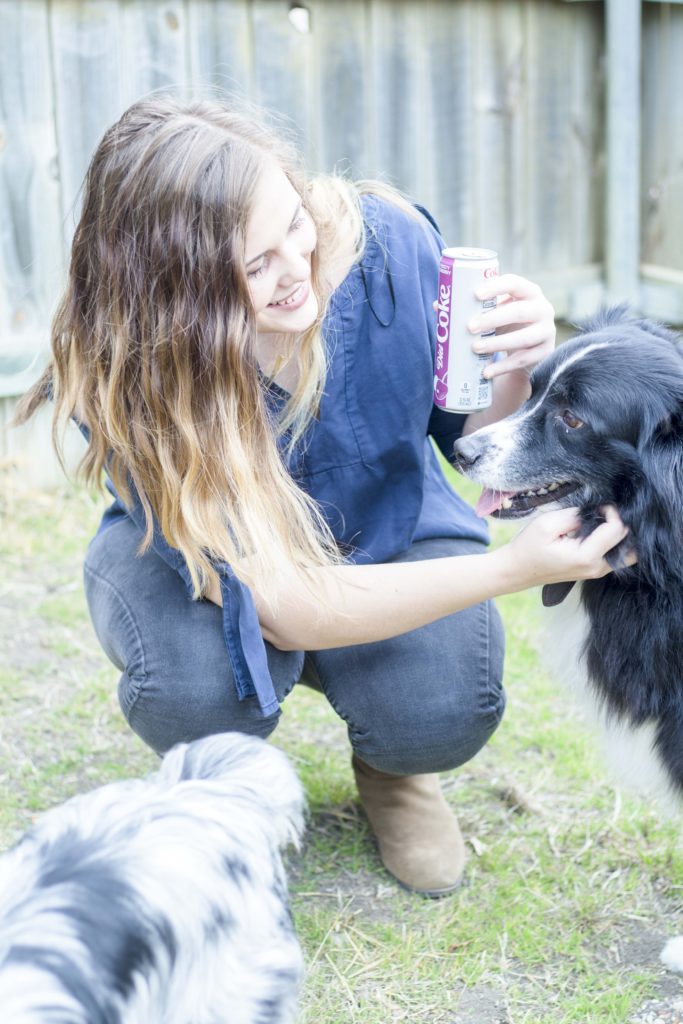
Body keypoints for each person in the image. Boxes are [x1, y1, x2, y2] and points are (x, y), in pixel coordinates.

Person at [16, 96, 629, 898]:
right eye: (253, 265)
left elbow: (474, 434)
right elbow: (286, 602)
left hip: (388, 526)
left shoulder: (388, 244)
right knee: (195, 694)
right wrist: (508, 570)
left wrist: (523, 364)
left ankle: (392, 772)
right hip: (214, 573)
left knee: (445, 702)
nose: (295, 271)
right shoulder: (145, 368)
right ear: (175, 293)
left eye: (293, 226)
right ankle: (220, 789)